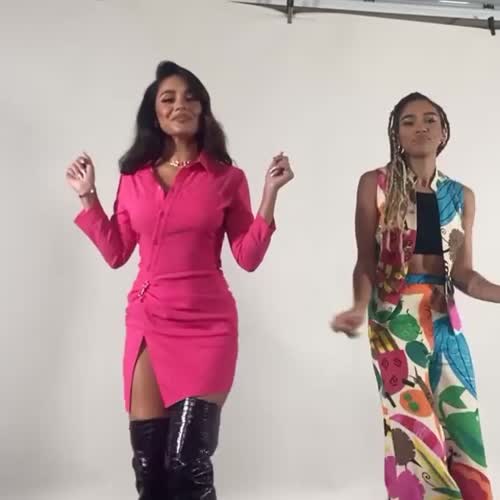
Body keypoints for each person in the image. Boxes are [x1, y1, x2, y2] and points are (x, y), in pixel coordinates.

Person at [65, 60, 294, 500]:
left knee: (187, 464)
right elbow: (116, 252)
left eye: (190, 97)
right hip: (147, 322)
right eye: (167, 99)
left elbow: (247, 257)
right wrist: (88, 196)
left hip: (207, 325)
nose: (180, 105)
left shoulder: (227, 178)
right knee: (150, 467)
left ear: (203, 109)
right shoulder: (133, 179)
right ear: (155, 115)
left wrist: (269, 196)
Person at [331, 92, 493, 499]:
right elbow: (365, 261)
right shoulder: (375, 184)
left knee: (462, 423)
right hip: (394, 319)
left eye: (429, 119)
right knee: (414, 429)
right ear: (396, 134)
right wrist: (358, 306)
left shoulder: (461, 195)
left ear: (443, 131)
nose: (420, 127)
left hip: (445, 320)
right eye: (409, 121)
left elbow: (465, 275)